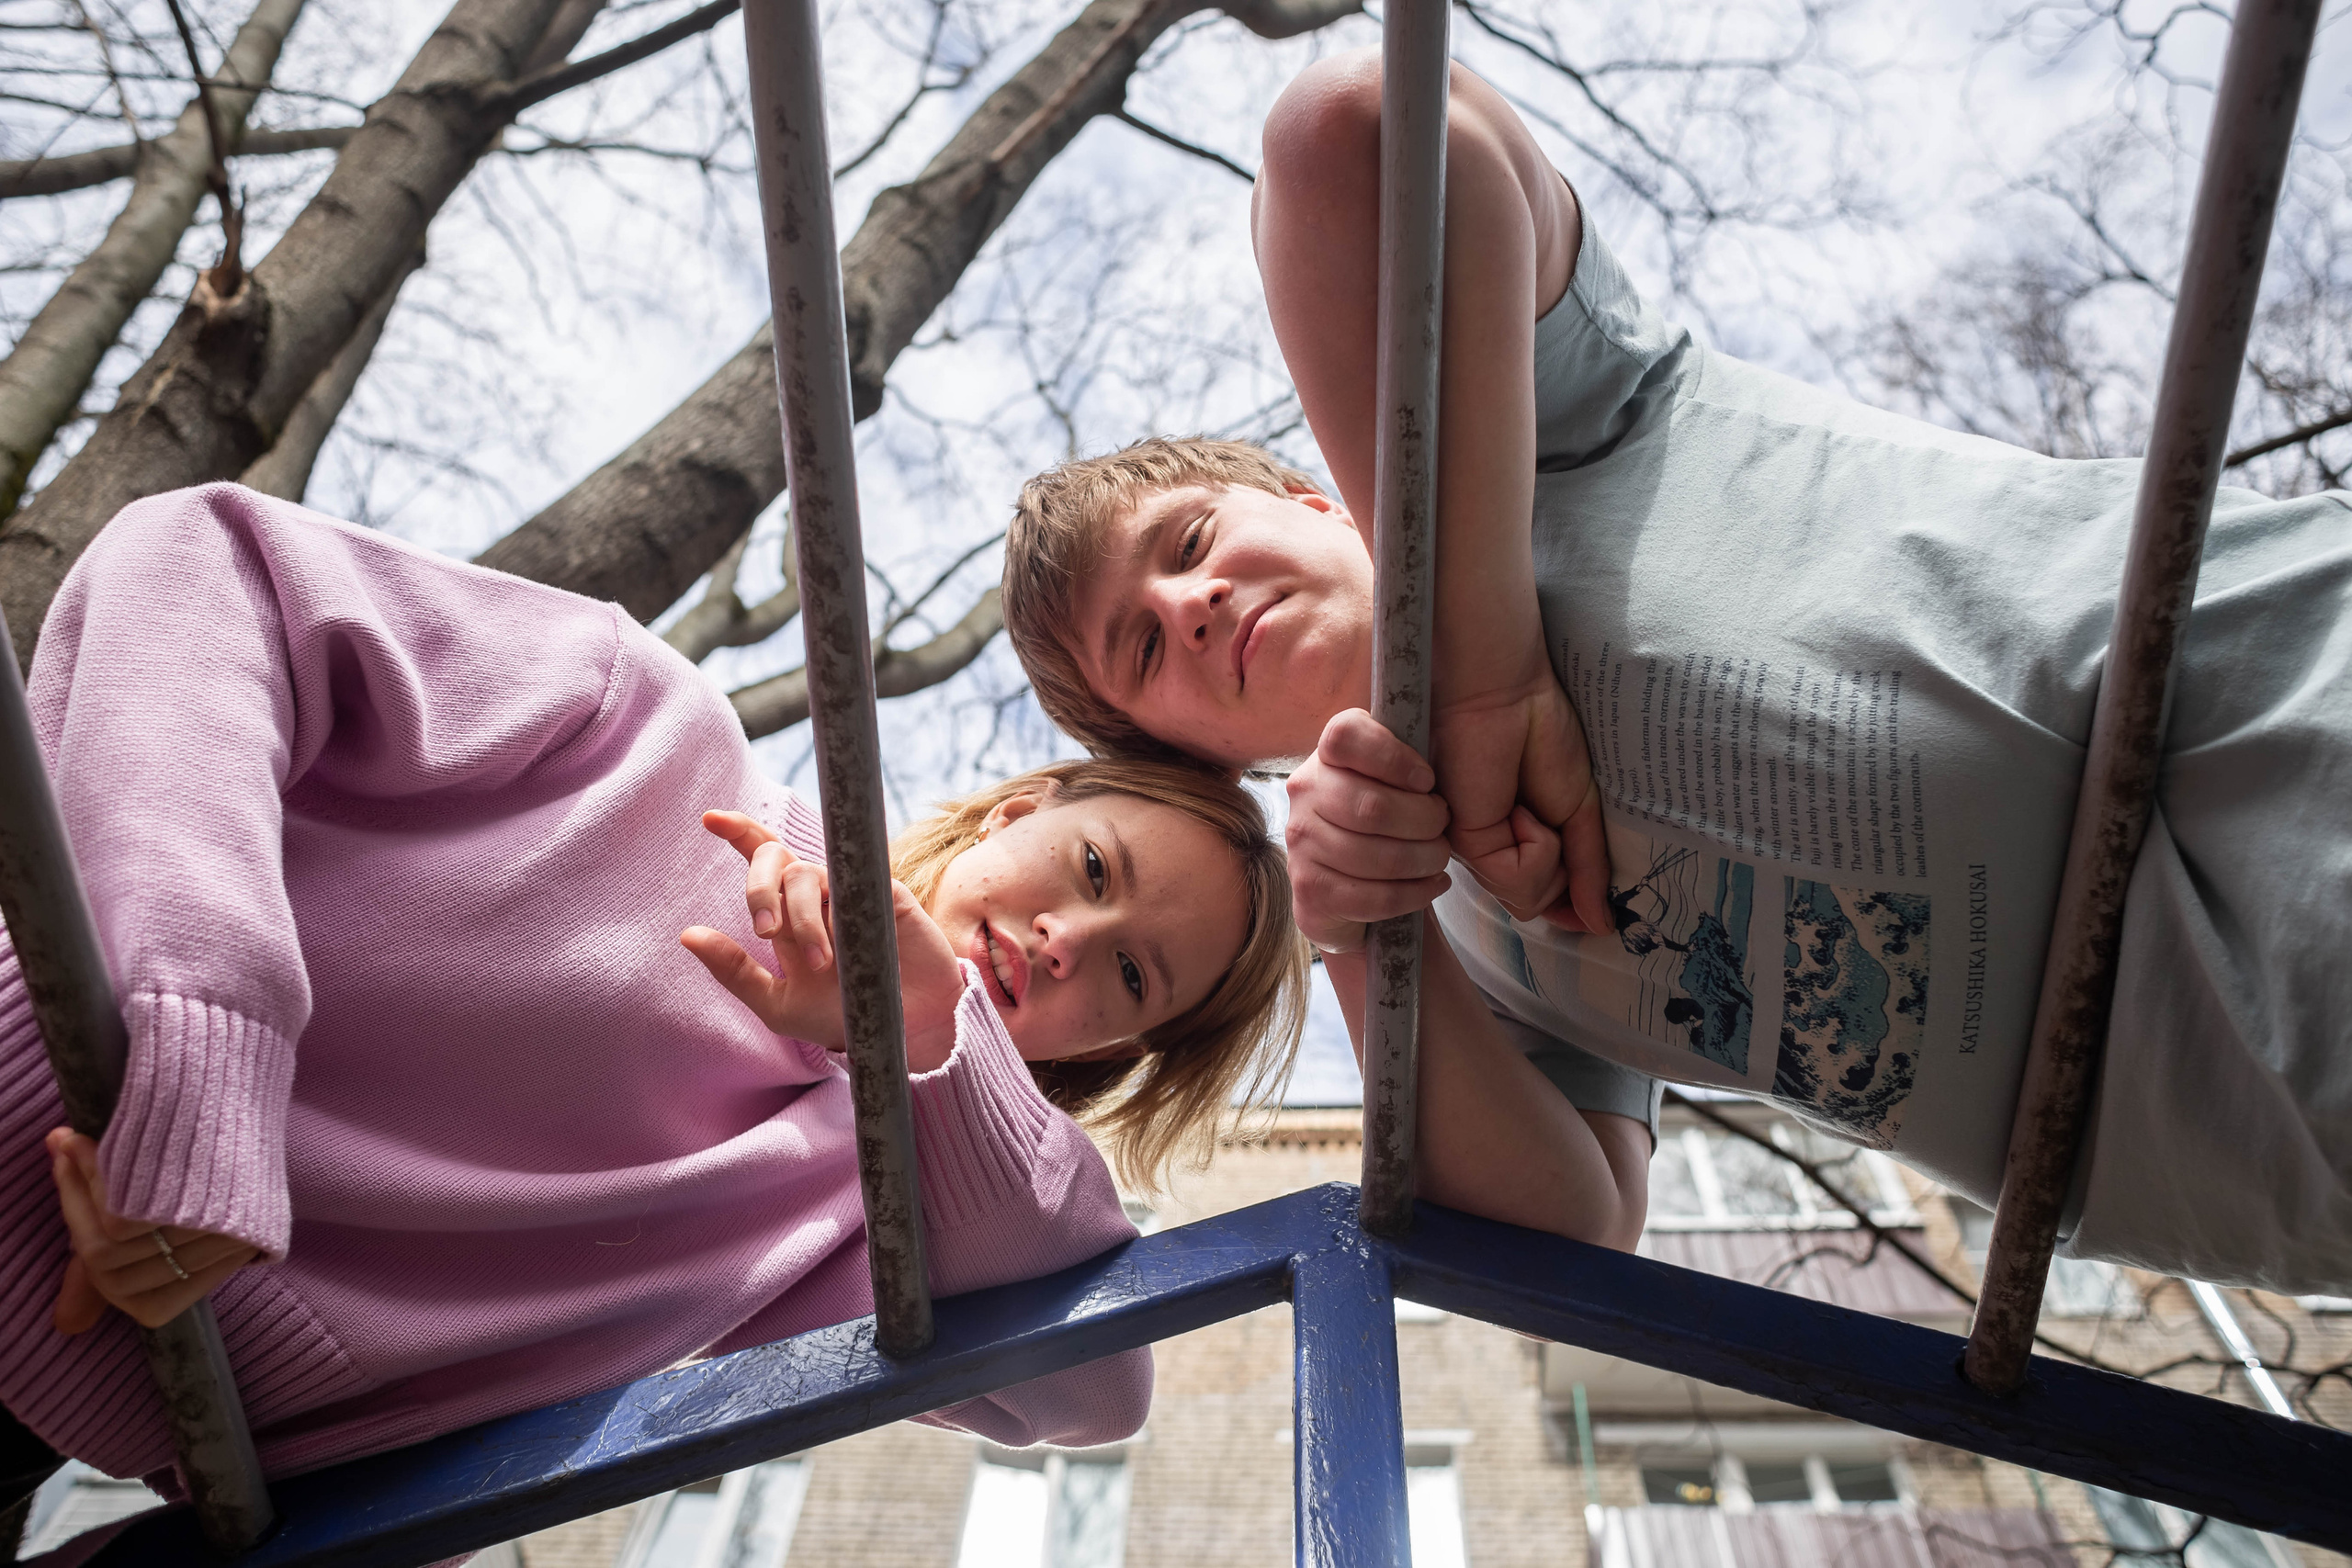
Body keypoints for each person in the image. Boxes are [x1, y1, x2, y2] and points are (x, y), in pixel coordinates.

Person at [1000, 50, 2352, 1294]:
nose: (1190, 604)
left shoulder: (1559, 428)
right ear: (1199, 753)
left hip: (2285, 726)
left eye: (1187, 543)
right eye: (1142, 648)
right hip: (2262, 1166)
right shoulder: (1476, 945)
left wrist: (1481, 674)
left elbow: (1354, 128)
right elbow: (1579, 1228)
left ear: (1303, 495)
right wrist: (1366, 932)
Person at [0, 481, 1307, 1519]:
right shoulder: (650, 736)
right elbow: (204, 559)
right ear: (1023, 809)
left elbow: (1093, 1388)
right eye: (1092, 869)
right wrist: (202, 1055)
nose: (1069, 941)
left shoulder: (872, 1217)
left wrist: (924, 1042)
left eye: (1135, 976)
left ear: (1118, 1048)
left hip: (64, 1420)